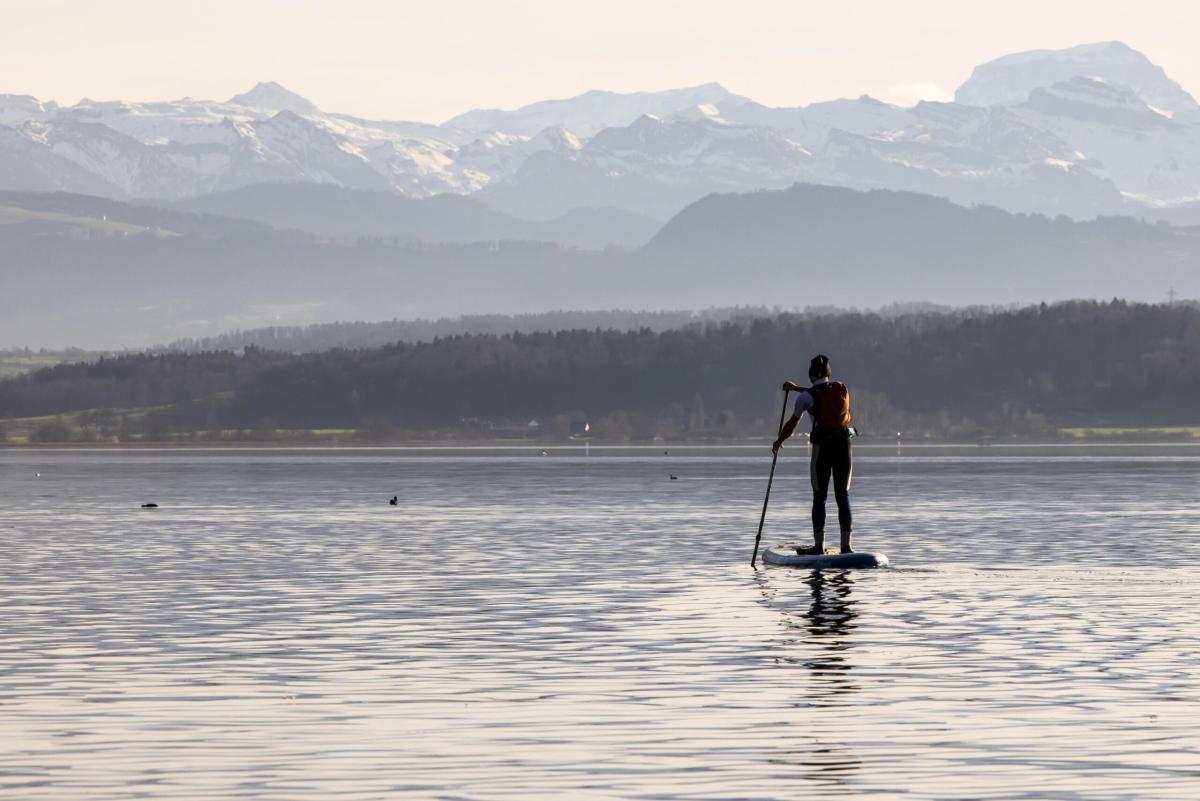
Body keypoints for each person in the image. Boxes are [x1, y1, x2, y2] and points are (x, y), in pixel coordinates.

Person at [772, 354, 854, 555]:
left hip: (823, 448)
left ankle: (819, 546)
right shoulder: (841, 388)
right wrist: (795, 388)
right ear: (829, 373)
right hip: (844, 446)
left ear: (810, 375)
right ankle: (847, 546)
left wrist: (779, 441)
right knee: (842, 495)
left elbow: (792, 424)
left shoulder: (805, 398)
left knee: (820, 496)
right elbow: (821, 390)